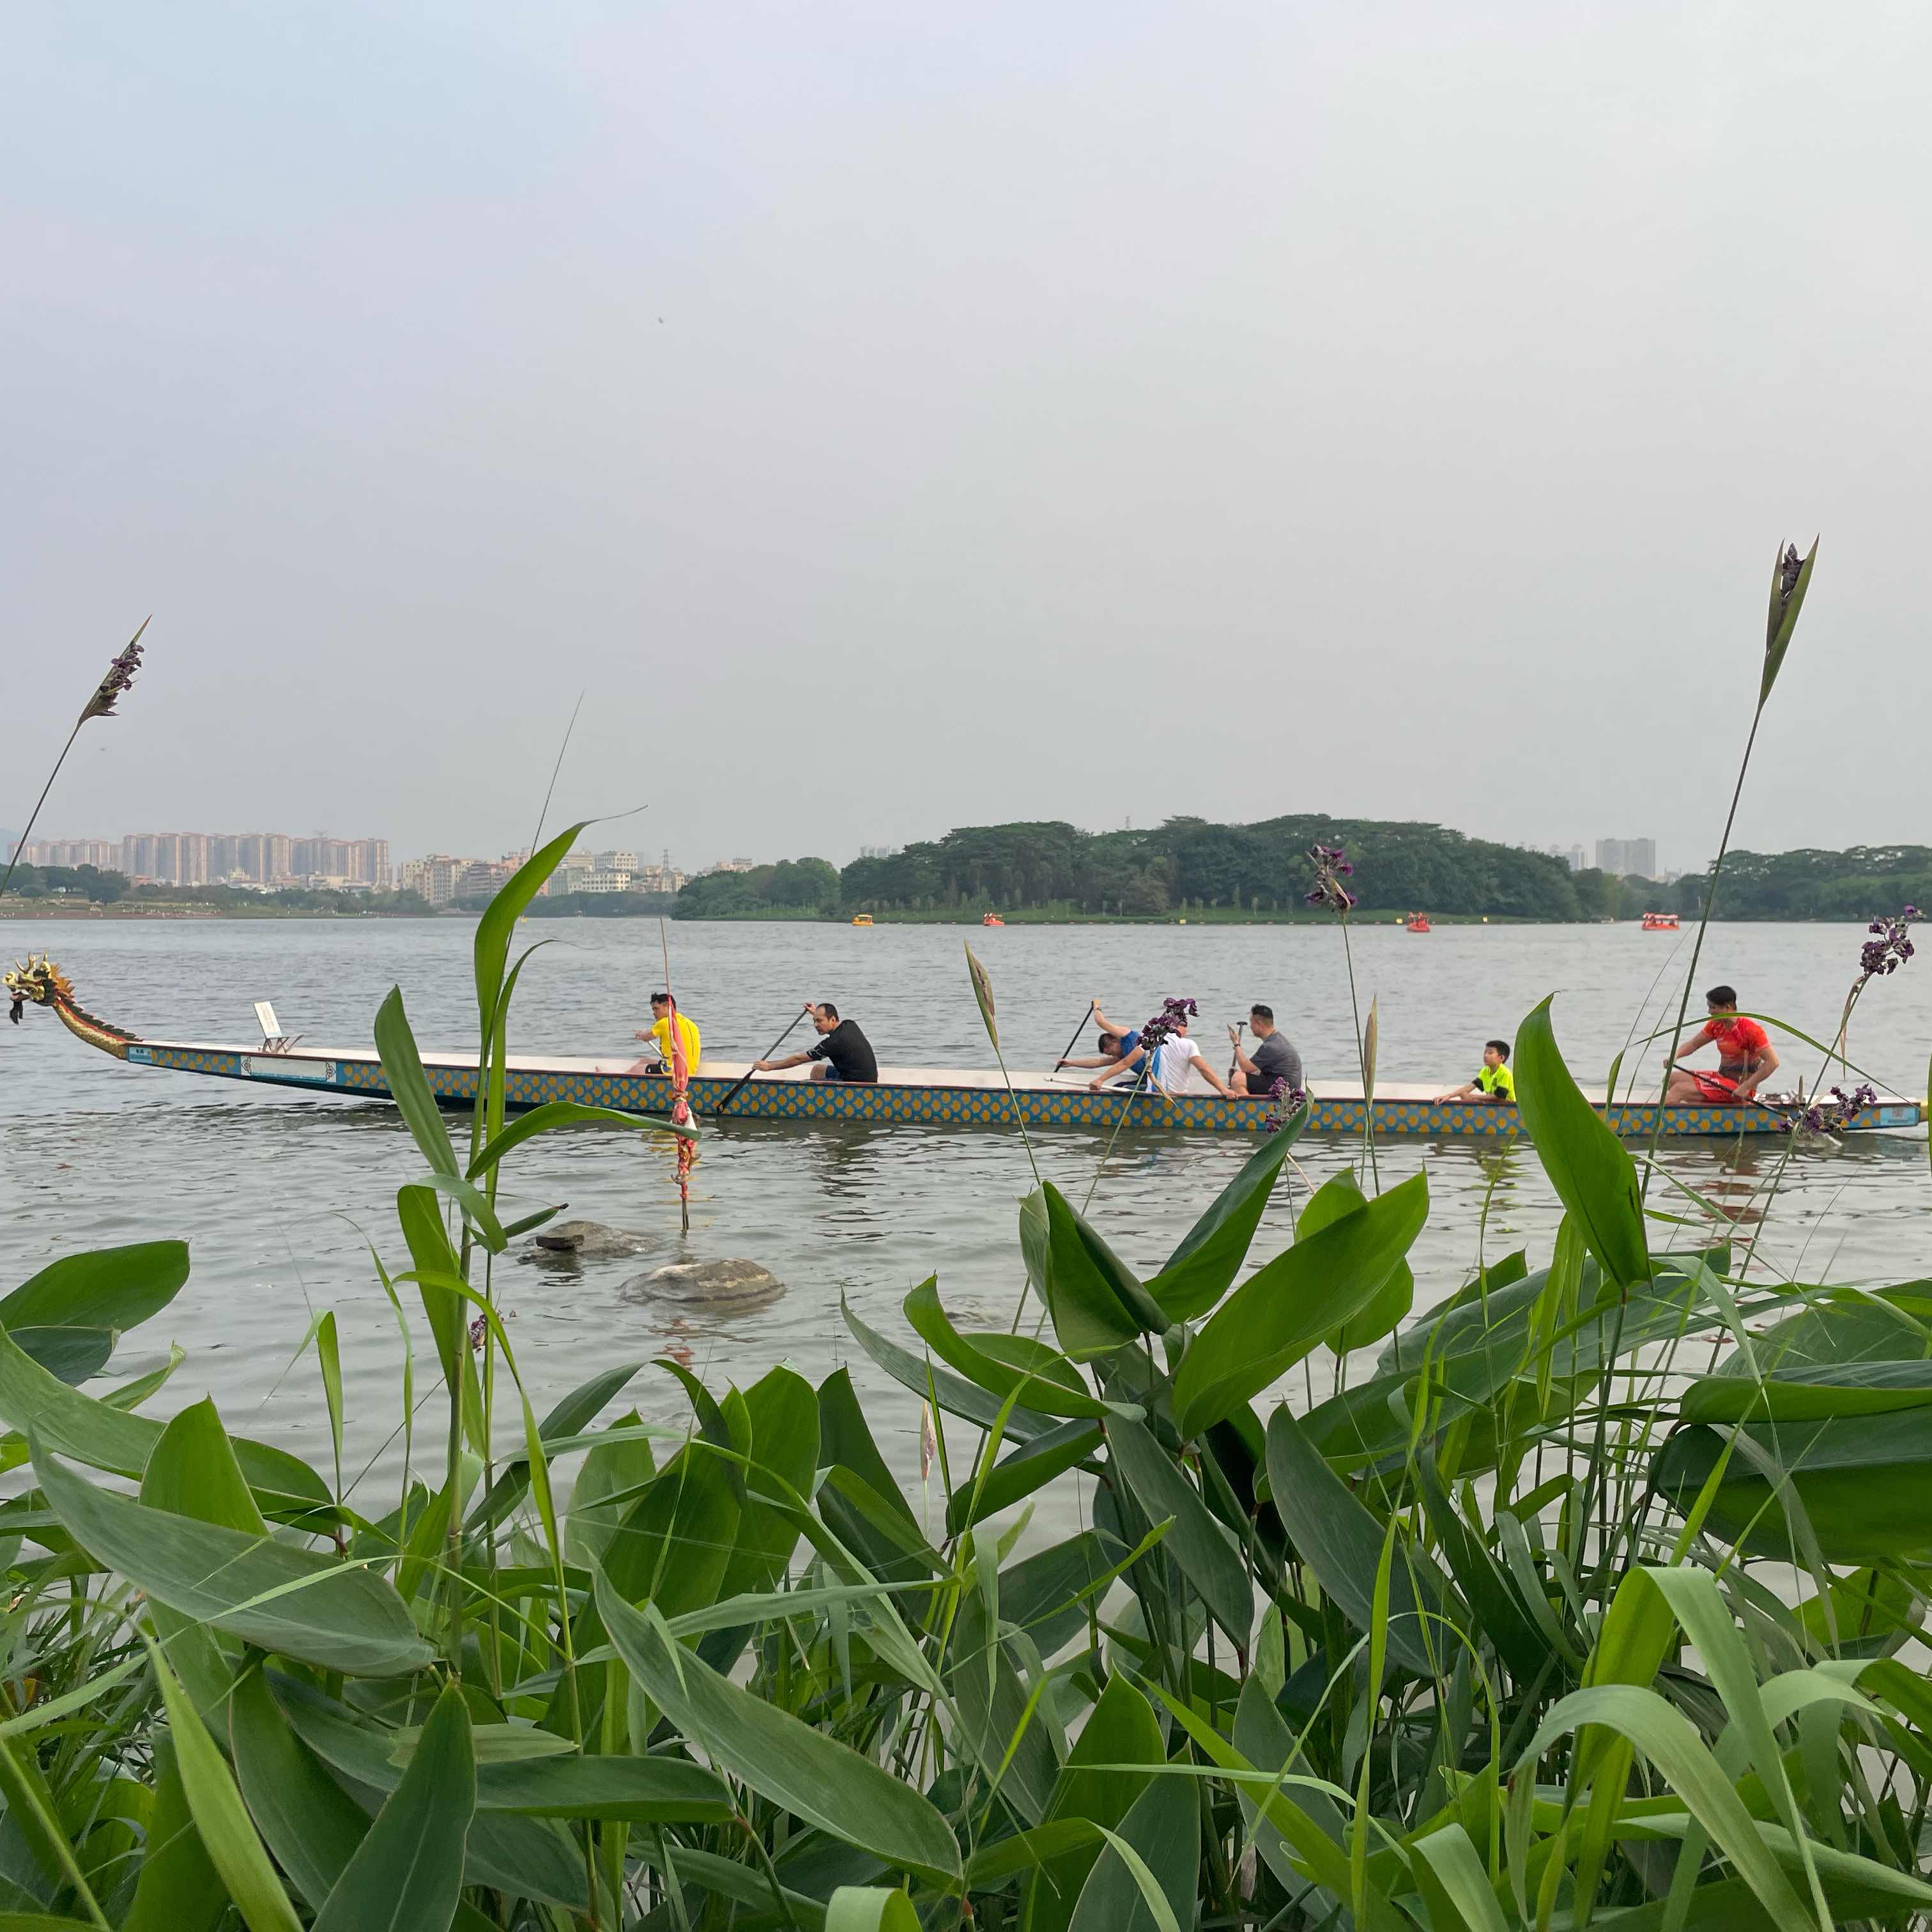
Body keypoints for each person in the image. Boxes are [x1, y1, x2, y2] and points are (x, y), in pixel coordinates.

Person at [1666, 986, 1777, 1103]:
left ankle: (1669, 1110)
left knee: (1679, 1090)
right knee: (1670, 1079)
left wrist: (1746, 1087)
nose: (1709, 1012)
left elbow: (1773, 1062)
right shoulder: (1716, 1025)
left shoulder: (1750, 1030)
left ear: (1727, 1008)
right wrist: (1675, 1055)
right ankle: (1698, 1105)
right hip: (1722, 1078)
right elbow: (1693, 1044)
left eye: (1713, 1008)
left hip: (1740, 1088)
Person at [1091, 1009, 1234, 1098]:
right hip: (1177, 1098)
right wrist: (1223, 1090)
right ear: (1179, 1026)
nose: (1187, 1030)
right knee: (1124, 1087)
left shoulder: (1149, 1040)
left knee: (1119, 1089)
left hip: (1154, 1096)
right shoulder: (1189, 1044)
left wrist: (1100, 1080)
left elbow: (1125, 1063)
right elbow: (1204, 1070)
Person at [755, 1002, 879, 1084]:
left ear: (833, 1019)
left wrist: (769, 1066)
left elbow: (798, 1059)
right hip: (867, 1078)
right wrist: (815, 1013)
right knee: (818, 1070)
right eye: (814, 1021)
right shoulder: (850, 1024)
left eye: (819, 1021)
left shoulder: (832, 1044)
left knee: (808, 1085)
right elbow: (830, 1021)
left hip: (856, 1086)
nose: (816, 1025)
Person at [1227, 1004, 1304, 1098]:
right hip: (1286, 1085)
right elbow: (1253, 1069)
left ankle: (1250, 1106)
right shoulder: (1277, 1039)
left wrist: (1236, 1043)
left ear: (1259, 1024)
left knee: (1237, 1079)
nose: (1251, 1026)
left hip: (1285, 1090)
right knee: (1246, 1074)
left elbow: (1245, 1067)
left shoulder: (1271, 1046)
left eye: (1251, 1023)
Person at [1057, 999, 1144, 1073]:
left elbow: (1101, 1022)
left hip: (1152, 1080)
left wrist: (1096, 1006)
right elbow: (1098, 1062)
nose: (1113, 1056)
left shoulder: (1127, 1035)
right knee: (1120, 1085)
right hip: (1145, 1080)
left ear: (1115, 1042)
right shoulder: (1120, 1055)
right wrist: (1071, 1063)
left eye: (1111, 1053)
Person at [635, 992, 700, 1075]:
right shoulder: (692, 1024)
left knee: (639, 1068)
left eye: (656, 1009)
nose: (654, 1013)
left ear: (667, 1006)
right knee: (645, 1061)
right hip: (690, 1071)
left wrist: (640, 1034)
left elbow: (646, 1036)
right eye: (653, 1009)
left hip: (675, 1072)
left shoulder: (665, 1022)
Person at [1437, 1039, 1515, 1103]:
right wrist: (1448, 1096)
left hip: (1509, 1107)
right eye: (1485, 1053)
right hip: (1493, 1106)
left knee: (1472, 1100)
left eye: (1490, 1053)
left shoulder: (1505, 1073)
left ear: (1501, 1058)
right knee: (1466, 1097)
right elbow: (1470, 1087)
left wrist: (1473, 1097)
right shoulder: (1485, 1070)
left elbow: (1499, 1098)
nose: (1486, 1056)